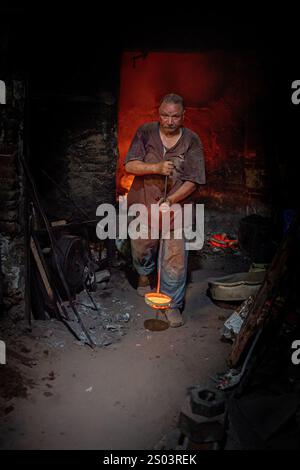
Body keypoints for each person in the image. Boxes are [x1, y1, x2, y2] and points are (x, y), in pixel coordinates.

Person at [124, 93, 206, 327]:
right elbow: (130, 165)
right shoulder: (145, 132)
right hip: (144, 200)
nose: (169, 121)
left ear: (183, 116)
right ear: (158, 114)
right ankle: (143, 273)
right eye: (164, 115)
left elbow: (194, 180)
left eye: (175, 116)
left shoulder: (192, 140)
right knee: (141, 246)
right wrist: (156, 167)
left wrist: (170, 200)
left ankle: (171, 304)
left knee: (175, 259)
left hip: (176, 207)